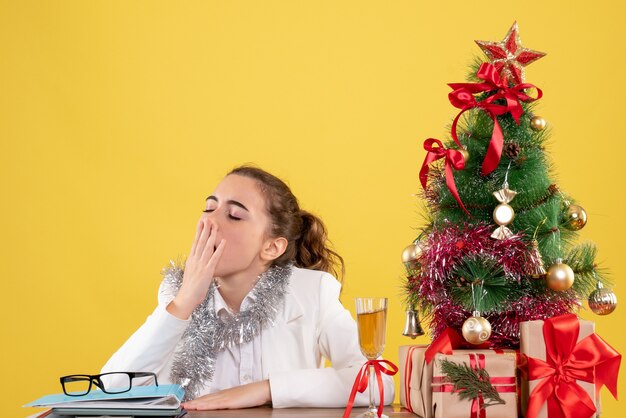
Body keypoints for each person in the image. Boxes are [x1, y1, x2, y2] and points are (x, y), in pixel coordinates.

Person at [101, 165, 395, 410]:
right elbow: (110, 390)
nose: (210, 221)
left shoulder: (312, 292)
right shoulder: (176, 293)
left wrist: (267, 389)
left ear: (271, 247)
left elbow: (378, 383)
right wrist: (183, 303)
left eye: (234, 215)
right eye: (209, 207)